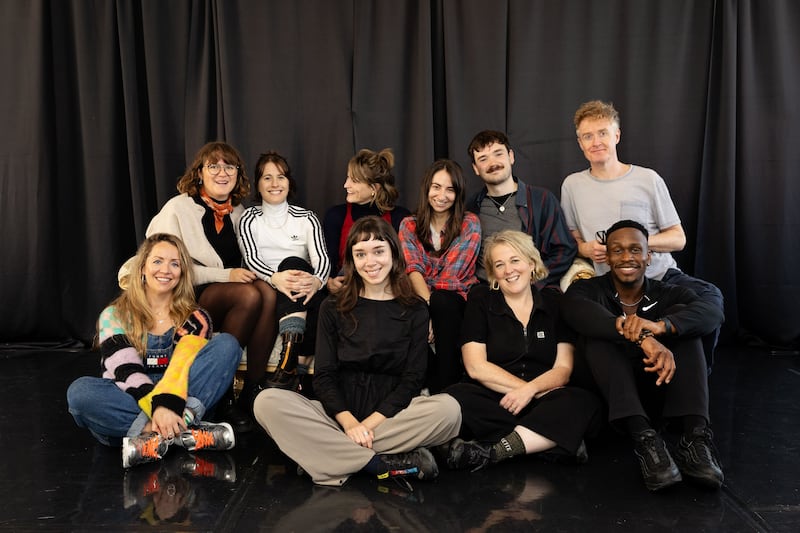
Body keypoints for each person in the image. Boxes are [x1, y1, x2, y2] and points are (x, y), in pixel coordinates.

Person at [253, 216, 462, 488]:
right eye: (360, 254)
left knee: (449, 411)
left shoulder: (415, 309)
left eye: (378, 251)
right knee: (266, 402)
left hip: (392, 416)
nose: (370, 262)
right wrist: (350, 424)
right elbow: (324, 376)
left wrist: (368, 426)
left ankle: (327, 455)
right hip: (337, 415)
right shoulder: (333, 306)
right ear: (352, 260)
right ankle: (377, 464)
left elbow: (412, 380)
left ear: (393, 254)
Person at [561, 220, 725, 491]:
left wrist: (663, 327)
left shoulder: (668, 292)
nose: (627, 257)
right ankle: (645, 440)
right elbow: (575, 311)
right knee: (597, 336)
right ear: (608, 257)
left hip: (658, 391)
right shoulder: (588, 289)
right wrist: (642, 337)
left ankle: (694, 439)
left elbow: (713, 312)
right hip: (611, 401)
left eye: (636, 250)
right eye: (618, 250)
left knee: (687, 327)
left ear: (649, 256)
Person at [560, 100, 724, 371]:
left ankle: (694, 377)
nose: (596, 141)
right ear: (580, 143)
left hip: (660, 278)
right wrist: (585, 249)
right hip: (611, 286)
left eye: (603, 133)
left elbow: (678, 238)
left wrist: (636, 246)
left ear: (617, 135)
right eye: (587, 136)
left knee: (711, 299)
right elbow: (571, 240)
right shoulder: (572, 185)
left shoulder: (647, 179)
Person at [128, 141, 278, 432]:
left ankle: (251, 392)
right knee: (248, 294)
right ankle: (222, 397)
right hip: (186, 294)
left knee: (267, 293)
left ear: (237, 174)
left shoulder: (238, 212)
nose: (222, 172)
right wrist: (227, 275)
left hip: (228, 296)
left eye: (229, 166)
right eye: (214, 166)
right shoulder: (178, 208)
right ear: (199, 173)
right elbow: (164, 264)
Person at [67, 233, 241, 468]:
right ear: (142, 268)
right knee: (80, 393)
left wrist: (170, 405)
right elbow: (125, 371)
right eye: (157, 261)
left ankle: (150, 439)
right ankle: (183, 433)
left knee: (227, 344)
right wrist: (159, 409)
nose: (165, 270)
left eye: (175, 263)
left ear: (182, 274)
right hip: (130, 393)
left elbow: (179, 372)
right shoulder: (115, 315)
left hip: (180, 395)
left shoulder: (196, 318)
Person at [442, 230, 601, 471]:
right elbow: (475, 366)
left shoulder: (554, 302)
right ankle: (551, 442)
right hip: (497, 397)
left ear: (531, 262)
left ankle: (494, 452)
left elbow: (564, 368)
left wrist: (532, 390)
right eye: (499, 264)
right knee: (456, 396)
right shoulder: (481, 300)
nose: (509, 270)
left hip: (544, 396)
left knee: (584, 401)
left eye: (515, 260)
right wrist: (523, 391)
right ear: (493, 273)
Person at [238, 151, 330, 392]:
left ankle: (290, 364)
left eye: (280, 177)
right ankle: (295, 369)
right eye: (267, 178)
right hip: (267, 286)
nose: (275, 184)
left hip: (304, 290)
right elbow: (250, 258)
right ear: (258, 184)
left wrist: (317, 281)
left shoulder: (306, 218)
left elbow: (322, 259)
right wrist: (274, 277)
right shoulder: (250, 218)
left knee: (296, 266)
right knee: (290, 265)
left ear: (289, 182)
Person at [398, 159, 481, 392]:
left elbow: (452, 277)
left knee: (442, 300)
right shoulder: (409, 225)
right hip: (423, 300)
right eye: (436, 187)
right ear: (427, 188)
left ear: (458, 193)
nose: (442, 195)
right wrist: (426, 309)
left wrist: (429, 297)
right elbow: (412, 268)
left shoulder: (469, 223)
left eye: (450, 189)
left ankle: (447, 388)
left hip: (457, 300)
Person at [466, 130, 577, 290]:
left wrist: (533, 280)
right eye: (483, 159)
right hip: (487, 291)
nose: (493, 163)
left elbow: (565, 249)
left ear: (511, 156)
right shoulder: (471, 208)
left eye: (498, 154)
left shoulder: (542, 200)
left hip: (533, 289)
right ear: (476, 168)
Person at [323, 148, 411, 293]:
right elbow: (329, 262)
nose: (346, 185)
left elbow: (403, 264)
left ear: (374, 188)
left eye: (354, 181)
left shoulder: (400, 218)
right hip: (348, 289)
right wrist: (329, 282)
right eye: (347, 178)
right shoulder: (336, 215)